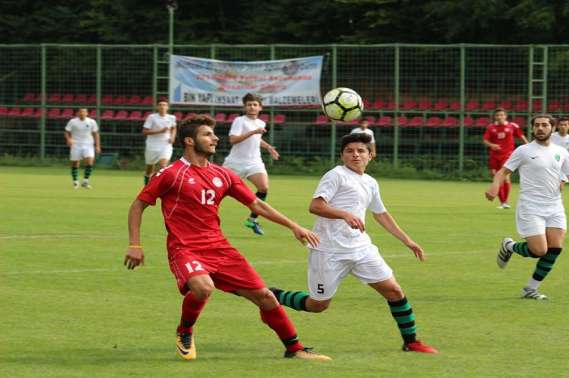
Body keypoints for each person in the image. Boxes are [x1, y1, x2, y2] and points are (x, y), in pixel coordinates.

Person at [124, 114, 330, 361]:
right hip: (185, 248)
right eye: (207, 134)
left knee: (265, 297)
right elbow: (138, 205)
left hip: (220, 248)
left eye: (213, 134)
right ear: (189, 141)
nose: (215, 138)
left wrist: (293, 226)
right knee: (203, 287)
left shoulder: (223, 175)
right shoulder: (171, 174)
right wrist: (135, 244)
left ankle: (294, 349)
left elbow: (257, 205)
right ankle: (185, 331)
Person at [270, 133, 438, 354]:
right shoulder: (336, 175)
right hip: (329, 250)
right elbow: (315, 206)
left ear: (371, 155)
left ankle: (411, 341)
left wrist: (408, 241)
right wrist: (344, 215)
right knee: (317, 305)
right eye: (349, 151)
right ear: (342, 155)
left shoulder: (370, 182)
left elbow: (381, 214)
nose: (355, 154)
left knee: (394, 291)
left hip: (361, 249)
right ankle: (272, 294)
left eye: (360, 150)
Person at [485, 114, 569, 300]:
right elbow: (503, 172)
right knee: (539, 251)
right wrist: (494, 187)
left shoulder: (561, 151)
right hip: (531, 207)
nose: (540, 128)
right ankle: (509, 246)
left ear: (552, 128)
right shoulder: (524, 151)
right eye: (537, 125)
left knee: (556, 248)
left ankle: (530, 289)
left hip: (555, 206)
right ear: (533, 129)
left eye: (544, 125)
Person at [223, 93, 279, 236]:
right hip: (234, 163)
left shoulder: (261, 123)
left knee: (264, 188)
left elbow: (256, 139)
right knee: (218, 191)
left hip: (254, 161)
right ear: (244, 107)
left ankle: (252, 219)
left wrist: (268, 147)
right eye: (249, 104)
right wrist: (253, 132)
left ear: (260, 107)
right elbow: (233, 140)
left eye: (255, 104)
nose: (252, 107)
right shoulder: (239, 121)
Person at [483, 108, 528, 209]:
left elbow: (521, 137)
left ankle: (505, 202)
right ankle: (502, 202)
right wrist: (492, 145)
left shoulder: (512, 126)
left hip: (508, 155)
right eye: (497, 115)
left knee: (505, 177)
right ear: (495, 117)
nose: (499, 117)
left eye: (501, 115)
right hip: (494, 156)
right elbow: (485, 140)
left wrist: (529, 147)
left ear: (505, 116)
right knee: (496, 178)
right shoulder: (491, 127)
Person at [142, 99, 177, 185]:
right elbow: (145, 132)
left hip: (166, 145)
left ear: (167, 107)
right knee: (149, 168)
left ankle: (158, 185)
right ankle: (147, 185)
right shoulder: (152, 117)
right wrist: (160, 131)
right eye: (160, 105)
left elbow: (173, 128)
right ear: (157, 107)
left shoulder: (171, 117)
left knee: (163, 166)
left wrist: (172, 137)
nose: (162, 106)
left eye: (164, 105)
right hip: (152, 145)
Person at [64, 108, 100, 189]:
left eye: (84, 112)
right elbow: (67, 132)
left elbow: (96, 134)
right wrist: (68, 139)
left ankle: (85, 181)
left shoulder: (92, 122)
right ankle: (75, 182)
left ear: (87, 113)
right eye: (80, 111)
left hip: (88, 145)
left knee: (89, 161)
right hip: (76, 144)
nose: (82, 113)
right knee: (75, 163)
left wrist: (97, 146)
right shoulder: (72, 121)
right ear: (77, 113)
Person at [550, 117, 569, 189]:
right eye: (561, 125)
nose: (563, 126)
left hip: (562, 166)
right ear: (558, 126)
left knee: (560, 187)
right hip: (550, 165)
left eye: (565, 125)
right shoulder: (551, 136)